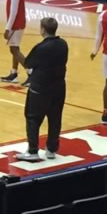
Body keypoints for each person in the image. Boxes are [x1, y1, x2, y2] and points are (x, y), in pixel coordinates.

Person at [19, 16, 69, 160]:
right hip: (59, 86)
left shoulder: (41, 47)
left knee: (33, 118)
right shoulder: (63, 44)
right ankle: (51, 149)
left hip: (41, 88)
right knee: (55, 118)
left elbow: (28, 63)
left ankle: (33, 150)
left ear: (42, 29)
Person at [0, 0, 28, 84]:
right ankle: (14, 73)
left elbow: (13, 12)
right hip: (19, 22)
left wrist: (7, 28)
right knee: (15, 48)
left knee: (14, 50)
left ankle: (31, 72)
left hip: (16, 24)